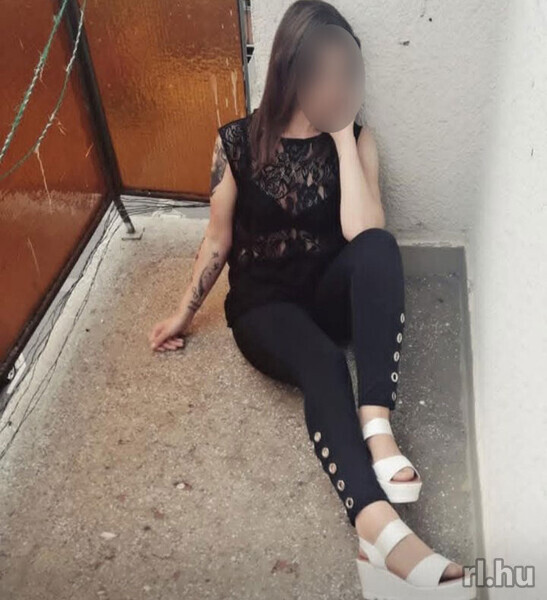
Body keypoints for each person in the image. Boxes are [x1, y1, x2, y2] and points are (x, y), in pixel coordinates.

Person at [149, 2, 475, 598]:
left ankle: (377, 428)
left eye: (347, 71)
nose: (336, 83)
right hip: (265, 308)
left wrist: (342, 136)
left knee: (380, 247)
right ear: (290, 67)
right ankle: (379, 534)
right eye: (323, 70)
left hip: (327, 296)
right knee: (323, 362)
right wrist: (183, 313)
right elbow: (217, 240)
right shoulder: (236, 142)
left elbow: (364, 234)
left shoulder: (359, 140)